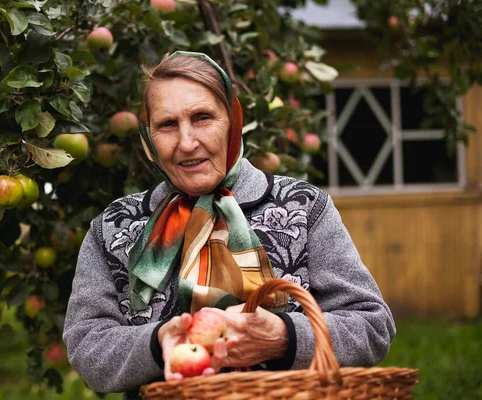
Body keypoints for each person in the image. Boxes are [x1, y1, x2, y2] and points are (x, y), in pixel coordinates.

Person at [63, 51, 395, 399]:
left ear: (233, 121)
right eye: (167, 125)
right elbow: (88, 346)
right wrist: (157, 342)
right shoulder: (114, 226)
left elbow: (372, 325)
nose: (187, 142)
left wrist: (285, 336)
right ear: (148, 138)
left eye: (203, 117)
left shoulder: (304, 206)